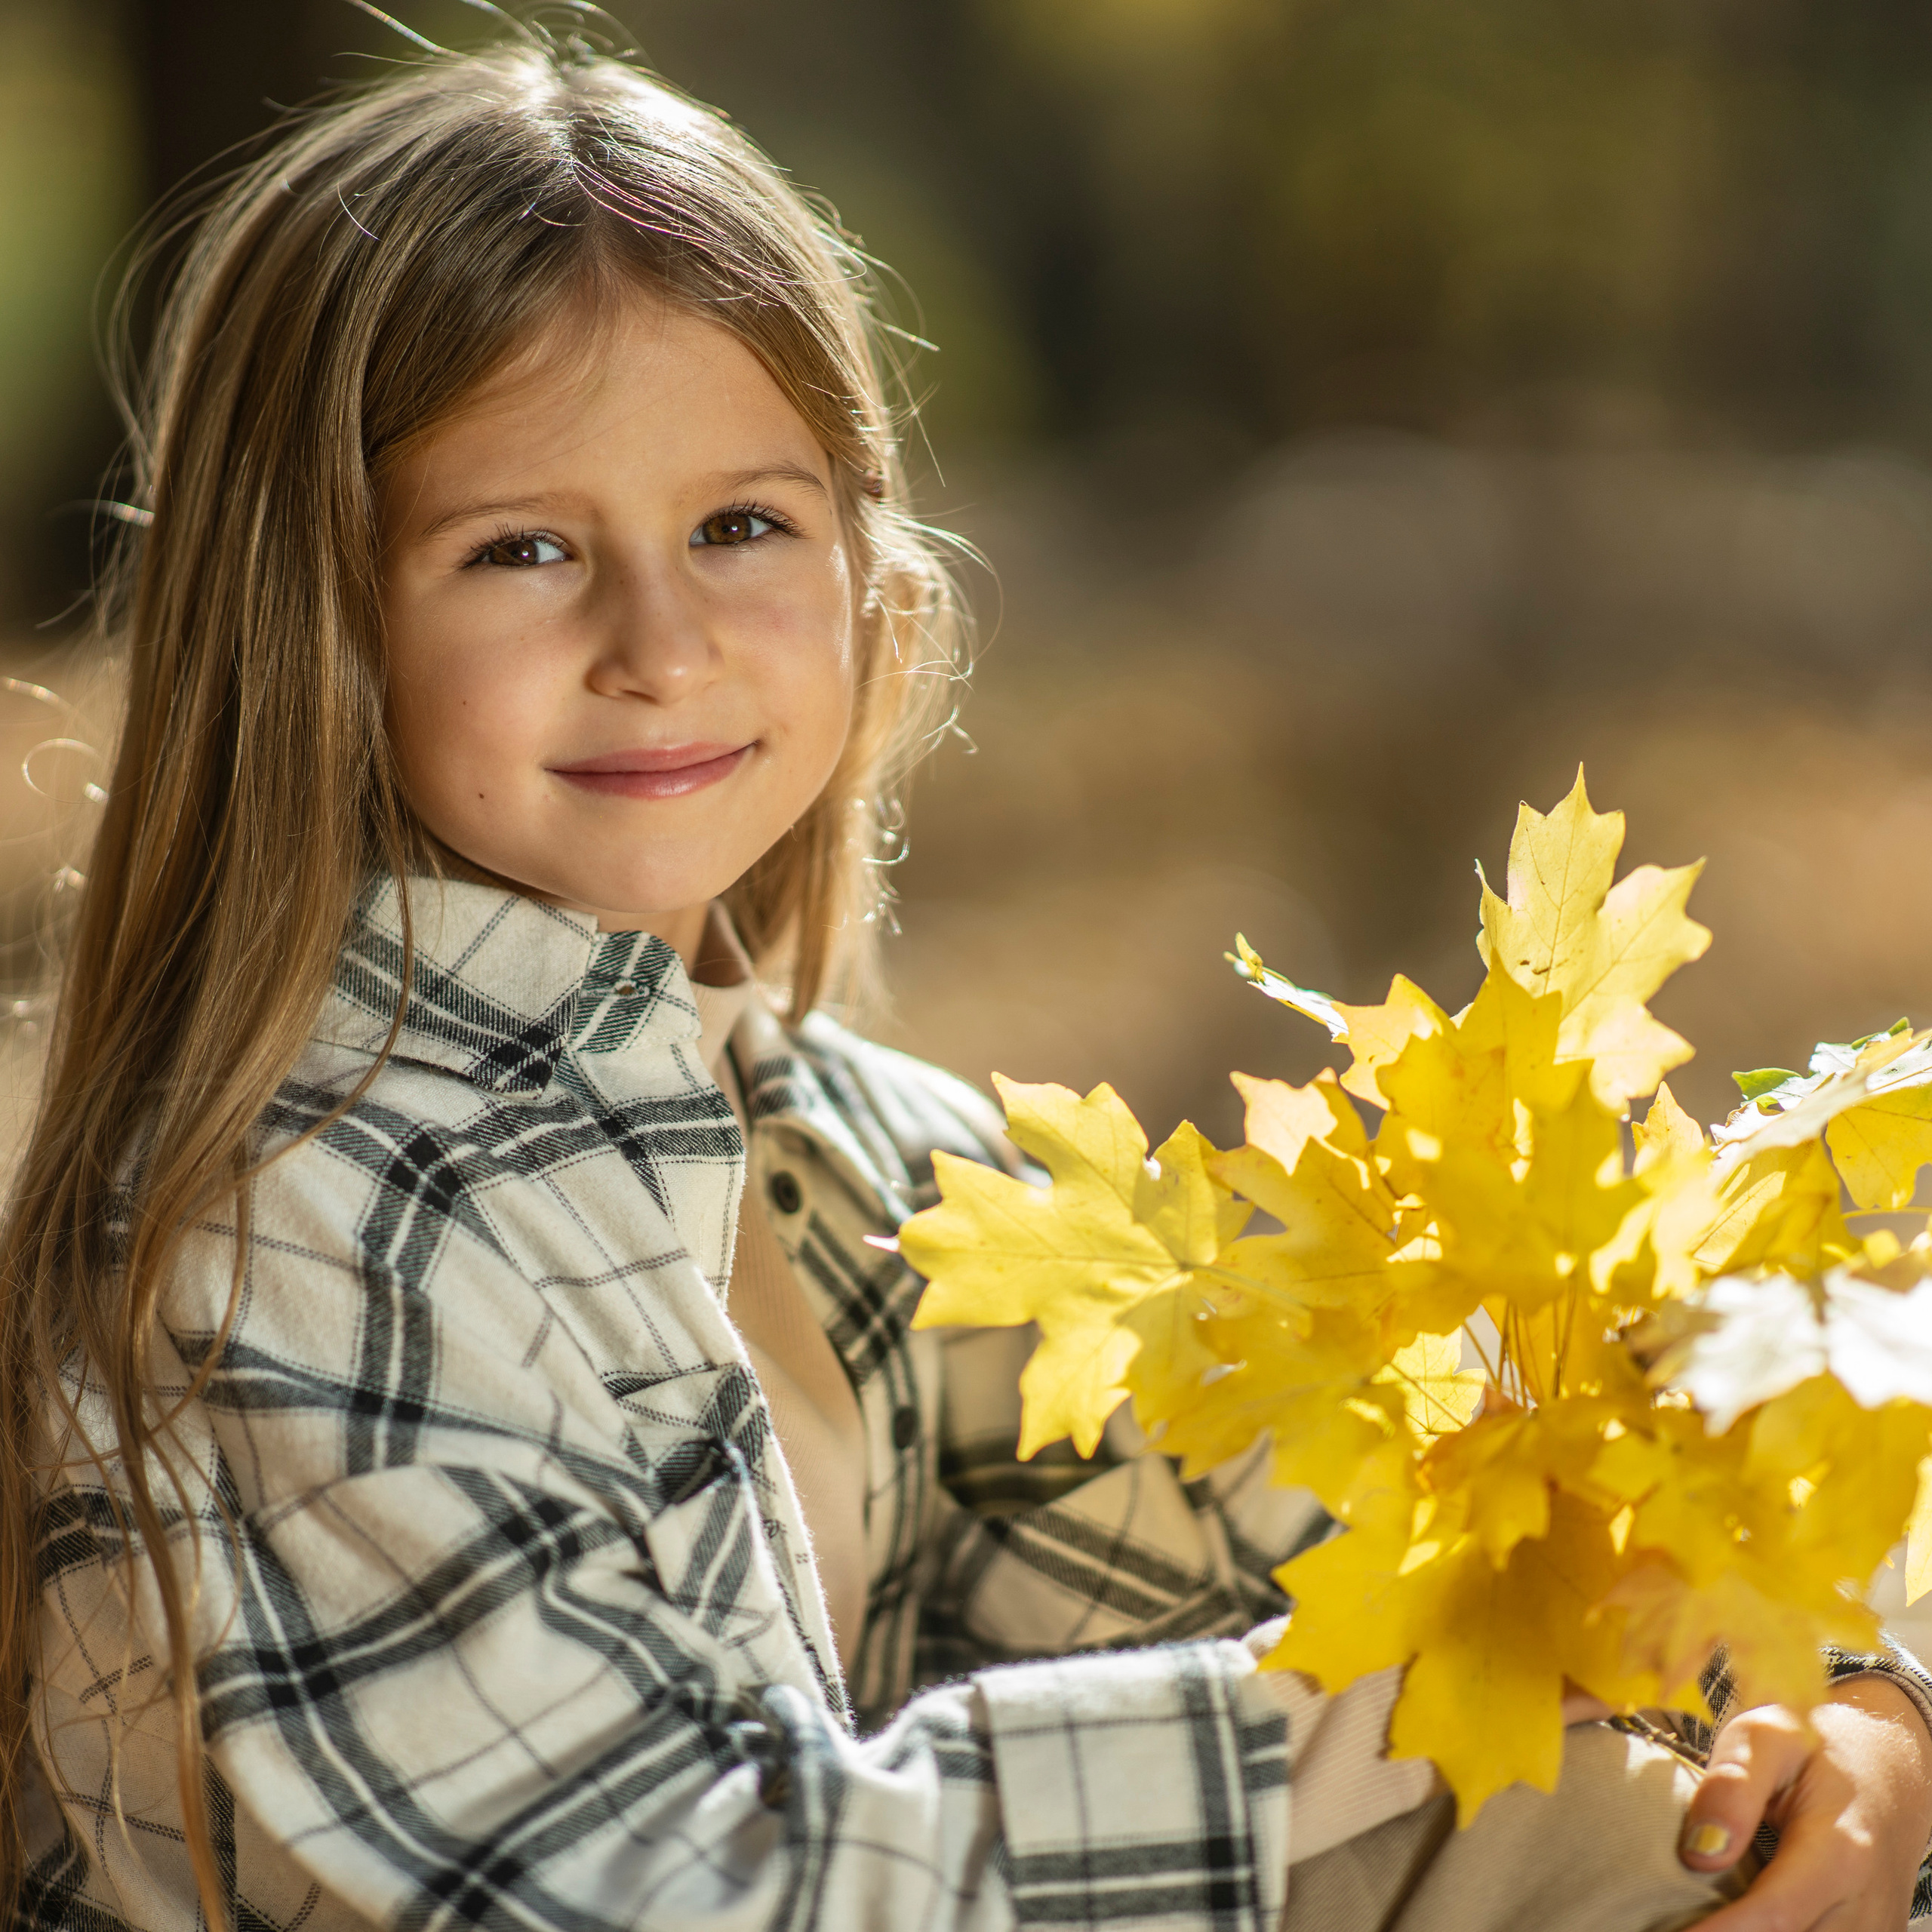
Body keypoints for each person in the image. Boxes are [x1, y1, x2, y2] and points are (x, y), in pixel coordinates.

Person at [4, 27, 1931, 1932]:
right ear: (307, 624)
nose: (660, 643)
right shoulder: (305, 1226)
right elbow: (681, 1886)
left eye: (739, 525)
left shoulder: (829, 1158)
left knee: (1629, 1821)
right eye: (519, 549)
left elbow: (1302, 1515)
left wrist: (1834, 1688)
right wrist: (1418, 1686)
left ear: (872, 574)